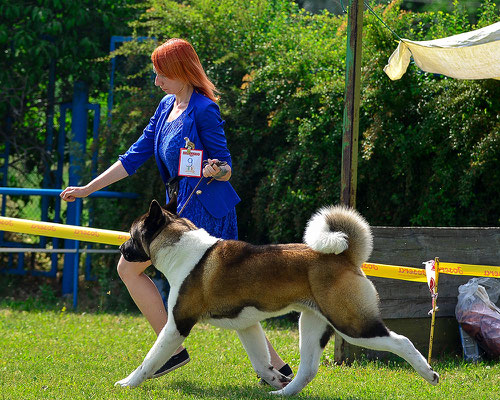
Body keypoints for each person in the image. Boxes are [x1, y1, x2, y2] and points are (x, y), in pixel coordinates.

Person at [60, 38, 293, 381]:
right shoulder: (165, 107)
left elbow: (226, 166)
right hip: (179, 211)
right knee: (229, 296)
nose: (157, 81)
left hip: (207, 213)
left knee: (144, 272)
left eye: (161, 74)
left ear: (182, 72)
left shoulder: (204, 109)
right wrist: (87, 189)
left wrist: (217, 170)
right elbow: (133, 157)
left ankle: (175, 353)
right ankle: (276, 368)